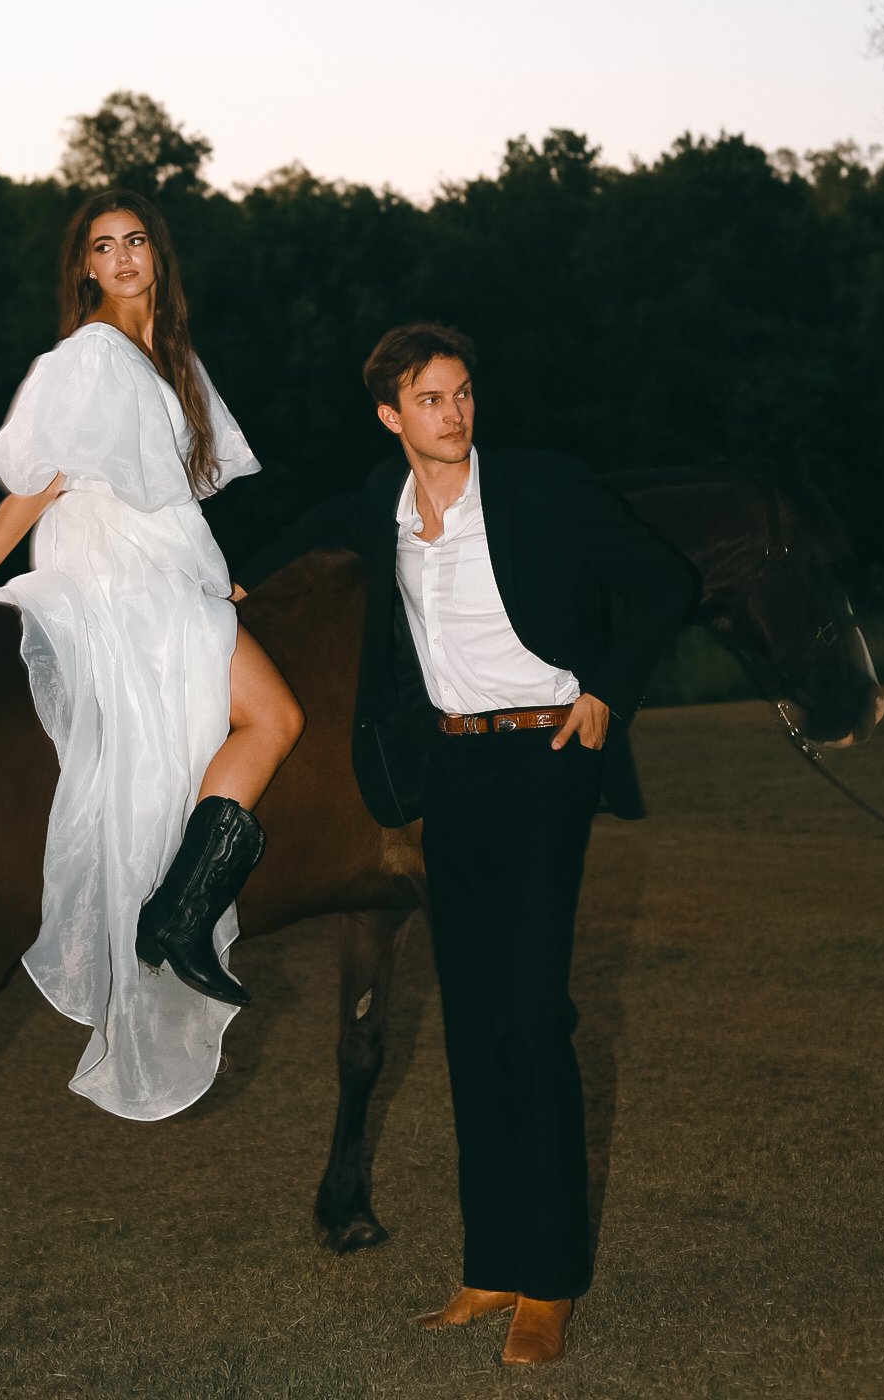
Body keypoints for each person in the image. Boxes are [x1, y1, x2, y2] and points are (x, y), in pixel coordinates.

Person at [242, 322, 692, 1365]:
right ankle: (489, 1268)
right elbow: (304, 529)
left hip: (543, 763)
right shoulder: (379, 506)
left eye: (461, 394)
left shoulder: (541, 486)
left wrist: (607, 692)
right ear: (390, 417)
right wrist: (233, 584)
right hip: (450, 775)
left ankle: (551, 1281)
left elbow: (663, 580)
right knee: (472, 1027)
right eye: (430, 400)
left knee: (530, 1022)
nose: (453, 414)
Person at [0, 187, 304, 1121]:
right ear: (84, 268)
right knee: (277, 716)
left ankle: (177, 906)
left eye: (136, 241)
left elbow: (175, 496)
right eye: (102, 246)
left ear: (158, 257)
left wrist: (213, 579)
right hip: (119, 578)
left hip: (169, 569)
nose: (121, 258)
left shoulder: (173, 361)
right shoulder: (93, 356)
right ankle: (179, 912)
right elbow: (37, 488)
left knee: (255, 720)